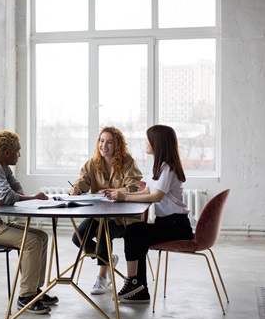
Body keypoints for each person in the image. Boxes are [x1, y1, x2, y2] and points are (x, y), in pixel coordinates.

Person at [0, 130, 58, 314]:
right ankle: (25, 297)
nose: (19, 155)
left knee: (41, 236)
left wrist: (10, 197)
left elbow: (16, 190)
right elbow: (9, 195)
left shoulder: (4, 168)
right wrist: (27, 197)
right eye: (18, 151)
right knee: (31, 242)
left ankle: (35, 291)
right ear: (7, 153)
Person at [108, 124, 193, 304]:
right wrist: (121, 196)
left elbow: (156, 196)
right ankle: (139, 289)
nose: (146, 143)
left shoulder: (168, 168)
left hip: (176, 226)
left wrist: (125, 197)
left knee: (134, 233)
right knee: (136, 232)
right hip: (167, 223)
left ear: (158, 143)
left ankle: (134, 284)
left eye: (149, 140)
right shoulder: (159, 165)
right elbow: (146, 191)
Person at [69, 126, 142, 295]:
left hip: (122, 219)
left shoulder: (127, 161)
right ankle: (109, 260)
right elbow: (82, 181)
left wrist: (114, 192)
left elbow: (133, 188)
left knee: (104, 230)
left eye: (109, 142)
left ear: (117, 145)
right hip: (98, 215)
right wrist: (76, 189)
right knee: (78, 237)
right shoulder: (93, 163)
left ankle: (102, 277)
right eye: (102, 141)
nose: (104, 146)